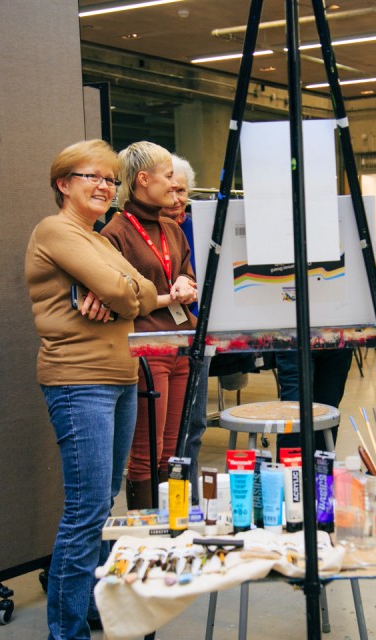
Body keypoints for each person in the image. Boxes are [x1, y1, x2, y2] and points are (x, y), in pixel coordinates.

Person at [25, 140, 158, 638]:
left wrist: (119, 292)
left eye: (110, 178)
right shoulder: (55, 230)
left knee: (103, 503)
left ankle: (89, 607)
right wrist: (119, 292)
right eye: (92, 177)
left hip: (118, 378)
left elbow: (142, 288)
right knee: (85, 510)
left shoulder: (98, 238)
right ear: (64, 184)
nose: (105, 185)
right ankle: (67, 629)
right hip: (79, 381)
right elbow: (130, 292)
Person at [101, 141, 199, 509]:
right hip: (146, 349)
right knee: (147, 450)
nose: (175, 187)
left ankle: (172, 529)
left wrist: (185, 284)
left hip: (181, 345)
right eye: (168, 177)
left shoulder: (171, 229)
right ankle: (146, 534)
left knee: (173, 449)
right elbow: (118, 295)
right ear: (143, 179)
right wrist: (166, 296)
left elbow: (186, 272)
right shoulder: (116, 232)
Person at [160, 154, 209, 502]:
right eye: (170, 189)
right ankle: (167, 504)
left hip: (197, 333)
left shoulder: (199, 226)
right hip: (159, 341)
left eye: (182, 190)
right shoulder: (132, 230)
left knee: (194, 425)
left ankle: (188, 502)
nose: (176, 198)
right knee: (160, 435)